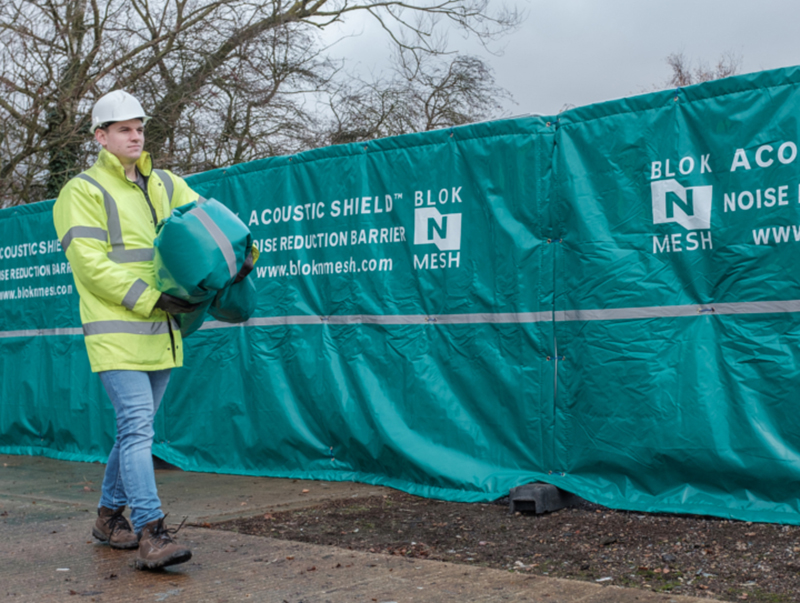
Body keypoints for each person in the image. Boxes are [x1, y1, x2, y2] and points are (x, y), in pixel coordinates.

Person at [53, 90, 201, 570]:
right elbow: (90, 265)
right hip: (117, 330)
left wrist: (240, 257)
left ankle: (107, 517)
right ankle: (151, 532)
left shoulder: (166, 184)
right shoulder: (82, 191)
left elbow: (209, 226)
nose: (135, 136)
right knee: (137, 427)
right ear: (100, 137)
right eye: (123, 129)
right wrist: (152, 298)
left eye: (139, 128)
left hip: (161, 330)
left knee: (135, 431)